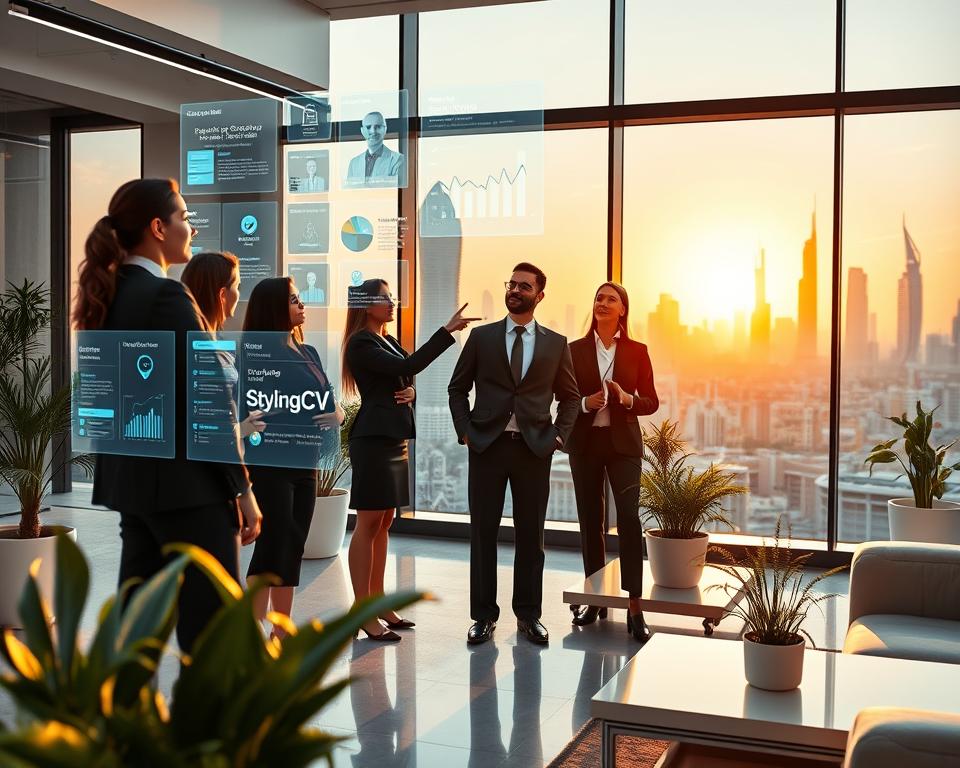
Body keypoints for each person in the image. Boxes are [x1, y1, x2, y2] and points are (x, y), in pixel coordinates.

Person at [73, 178, 262, 655]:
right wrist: (242, 488)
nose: (191, 228)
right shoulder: (166, 297)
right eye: (184, 217)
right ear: (158, 228)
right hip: (188, 490)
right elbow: (208, 401)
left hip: (133, 487)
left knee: (138, 630)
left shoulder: (106, 297)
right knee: (213, 634)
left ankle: (126, 703)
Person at [448, 263, 580, 646]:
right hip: (486, 448)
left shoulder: (556, 343)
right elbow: (457, 389)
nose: (515, 290)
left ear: (540, 295)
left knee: (531, 537)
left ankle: (528, 615)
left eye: (524, 286)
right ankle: (483, 617)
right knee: (482, 533)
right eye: (512, 284)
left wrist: (558, 437)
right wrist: (465, 431)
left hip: (533, 450)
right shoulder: (482, 337)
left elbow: (570, 397)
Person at [342, 278, 478, 641]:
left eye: (392, 297)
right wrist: (447, 330)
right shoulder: (360, 342)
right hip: (373, 440)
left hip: (394, 438)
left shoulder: (385, 340)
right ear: (366, 304)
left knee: (384, 521)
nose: (392, 303)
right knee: (368, 523)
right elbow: (411, 363)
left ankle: (378, 602)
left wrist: (412, 391)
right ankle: (362, 611)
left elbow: (404, 373)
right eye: (384, 298)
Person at [242, 276, 344, 641]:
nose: (302, 305)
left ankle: (281, 631)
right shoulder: (253, 354)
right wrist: (245, 425)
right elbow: (238, 408)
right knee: (273, 544)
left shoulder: (309, 352)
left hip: (307, 461)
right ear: (274, 308)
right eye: (293, 300)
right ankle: (252, 632)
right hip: (269, 463)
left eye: (300, 299)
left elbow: (330, 400)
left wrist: (337, 415)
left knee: (294, 543)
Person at [566, 282, 659, 643]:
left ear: (623, 309)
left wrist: (626, 398)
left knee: (630, 519)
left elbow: (651, 401)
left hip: (624, 446)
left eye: (611, 299)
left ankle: (635, 605)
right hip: (585, 444)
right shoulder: (573, 350)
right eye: (599, 298)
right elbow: (562, 398)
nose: (602, 303)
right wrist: (585, 404)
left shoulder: (637, 351)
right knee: (590, 521)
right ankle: (595, 600)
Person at [180, 251, 266, 441]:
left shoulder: (211, 345)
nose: (239, 294)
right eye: (237, 286)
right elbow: (204, 427)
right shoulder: (201, 352)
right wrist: (244, 428)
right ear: (222, 295)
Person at [345, 111, 404, 187]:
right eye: (368, 127)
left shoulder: (398, 160)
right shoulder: (354, 163)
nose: (373, 131)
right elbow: (350, 191)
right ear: (362, 131)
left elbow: (398, 191)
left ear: (385, 129)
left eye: (378, 127)